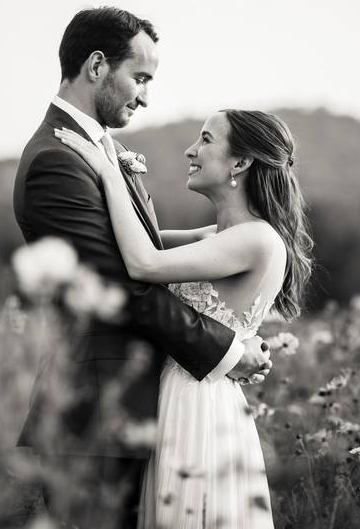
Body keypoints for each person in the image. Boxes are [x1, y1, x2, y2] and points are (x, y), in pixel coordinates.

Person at [12, 6, 272, 528]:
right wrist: (224, 349)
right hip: (94, 418)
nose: (146, 95)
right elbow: (117, 286)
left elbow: (149, 251)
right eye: (140, 77)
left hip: (136, 412)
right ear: (97, 65)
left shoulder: (99, 151)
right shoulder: (56, 162)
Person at [55, 107, 312, 529]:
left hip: (198, 404)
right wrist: (119, 172)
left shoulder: (258, 239)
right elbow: (133, 242)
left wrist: (108, 172)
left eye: (207, 140)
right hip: (180, 392)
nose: (191, 151)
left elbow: (145, 264)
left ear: (241, 163)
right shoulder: (219, 236)